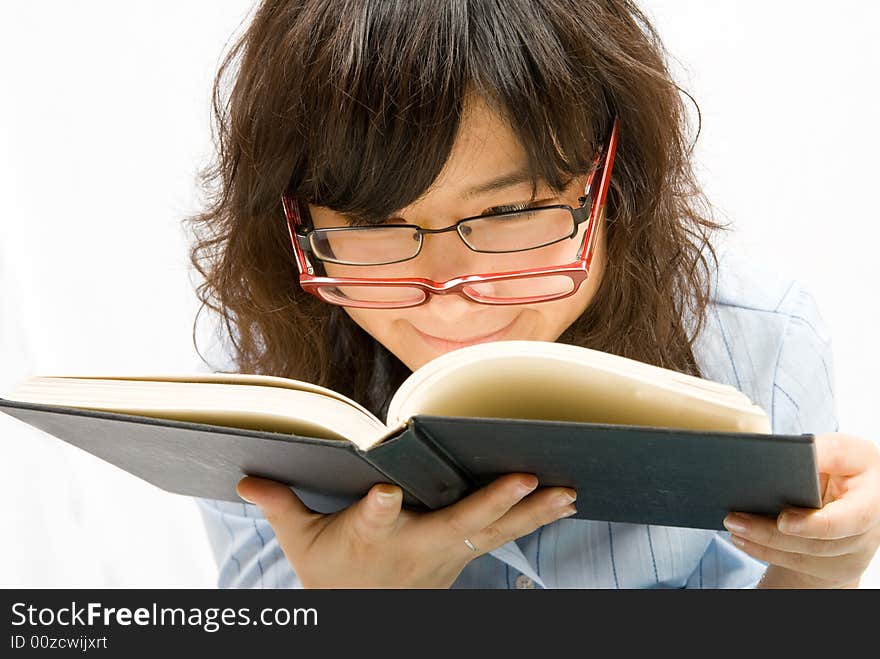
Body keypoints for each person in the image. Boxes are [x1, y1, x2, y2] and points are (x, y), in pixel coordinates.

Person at [186, 0, 880, 588]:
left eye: (509, 214)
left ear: (613, 177)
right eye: (373, 225)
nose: (451, 299)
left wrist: (822, 570)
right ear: (295, 217)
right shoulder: (263, 379)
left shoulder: (764, 347)